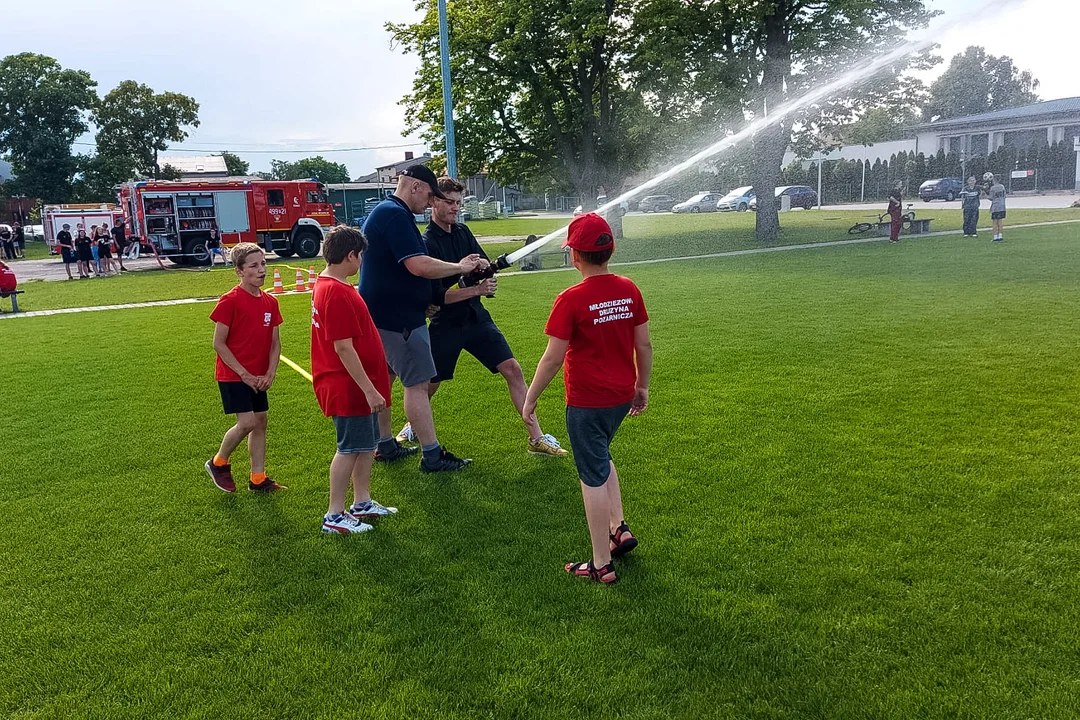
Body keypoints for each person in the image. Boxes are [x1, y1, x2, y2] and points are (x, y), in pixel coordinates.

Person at [523, 213, 653, 585]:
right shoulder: (629, 288)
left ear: (574, 256)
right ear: (609, 250)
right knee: (601, 456)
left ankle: (600, 564)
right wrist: (642, 386)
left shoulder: (571, 299)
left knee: (591, 476)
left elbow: (552, 357)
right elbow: (643, 343)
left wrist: (530, 399)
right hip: (620, 396)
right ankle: (619, 528)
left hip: (587, 402)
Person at [399, 175, 567, 457]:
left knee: (512, 369)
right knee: (429, 385)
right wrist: (474, 287)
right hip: (446, 325)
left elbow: (481, 262)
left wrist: (485, 269)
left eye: (458, 203)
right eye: (450, 202)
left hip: (476, 318)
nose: (455, 208)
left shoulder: (463, 232)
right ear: (434, 202)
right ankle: (412, 424)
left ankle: (536, 437)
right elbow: (436, 298)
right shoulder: (427, 243)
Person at [359, 164, 483, 472]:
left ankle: (385, 445)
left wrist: (424, 299)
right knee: (417, 384)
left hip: (388, 314)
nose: (429, 203)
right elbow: (418, 265)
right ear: (414, 187)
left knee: (386, 379)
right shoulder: (395, 215)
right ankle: (432, 455)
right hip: (397, 319)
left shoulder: (390, 212)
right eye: (429, 195)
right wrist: (459, 268)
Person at [312, 225, 399, 534]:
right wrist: (370, 390)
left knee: (365, 445)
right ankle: (334, 515)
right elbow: (343, 347)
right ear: (350, 255)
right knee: (349, 448)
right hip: (348, 387)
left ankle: (361, 501)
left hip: (359, 386)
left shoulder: (338, 286)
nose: (362, 261)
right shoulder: (334, 292)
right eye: (360, 256)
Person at [204, 243, 287, 494]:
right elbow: (218, 343)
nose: (261, 270)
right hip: (234, 374)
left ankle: (258, 478)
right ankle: (218, 463)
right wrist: (244, 374)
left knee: (260, 421)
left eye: (263, 264)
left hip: (259, 376)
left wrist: (270, 373)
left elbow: (275, 343)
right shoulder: (229, 301)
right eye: (254, 266)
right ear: (239, 271)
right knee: (248, 421)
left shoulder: (270, 302)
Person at [987, 172, 1007, 242]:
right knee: (1000, 221)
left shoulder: (993, 188)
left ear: (994, 180)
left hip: (995, 207)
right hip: (1002, 206)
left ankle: (995, 236)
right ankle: (1000, 235)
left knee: (995, 222)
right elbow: (1004, 196)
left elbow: (991, 198)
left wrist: (985, 194)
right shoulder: (1002, 187)